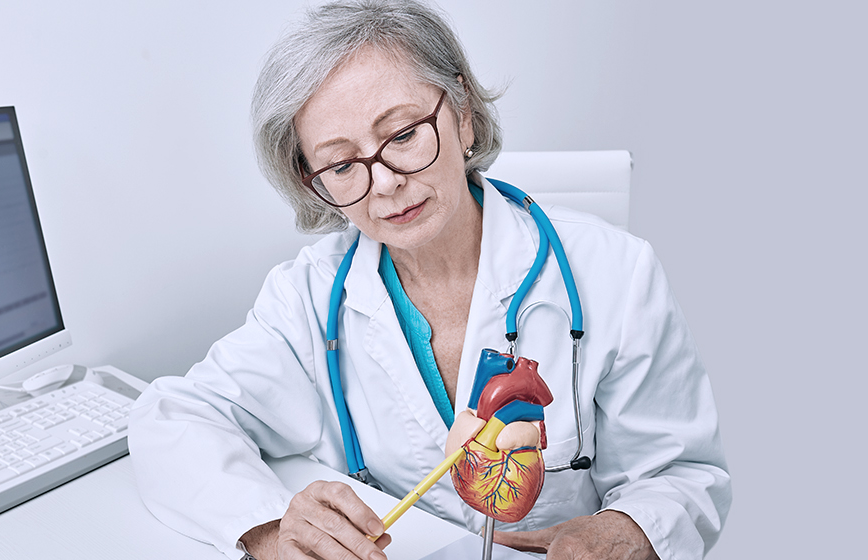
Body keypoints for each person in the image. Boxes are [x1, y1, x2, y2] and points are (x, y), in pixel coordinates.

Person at [128, 1, 731, 559]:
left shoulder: (614, 273)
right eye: (341, 164)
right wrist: (268, 529)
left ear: (463, 115)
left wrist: (632, 529)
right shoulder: (309, 298)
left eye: (403, 134)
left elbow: (683, 476)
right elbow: (171, 417)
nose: (385, 182)